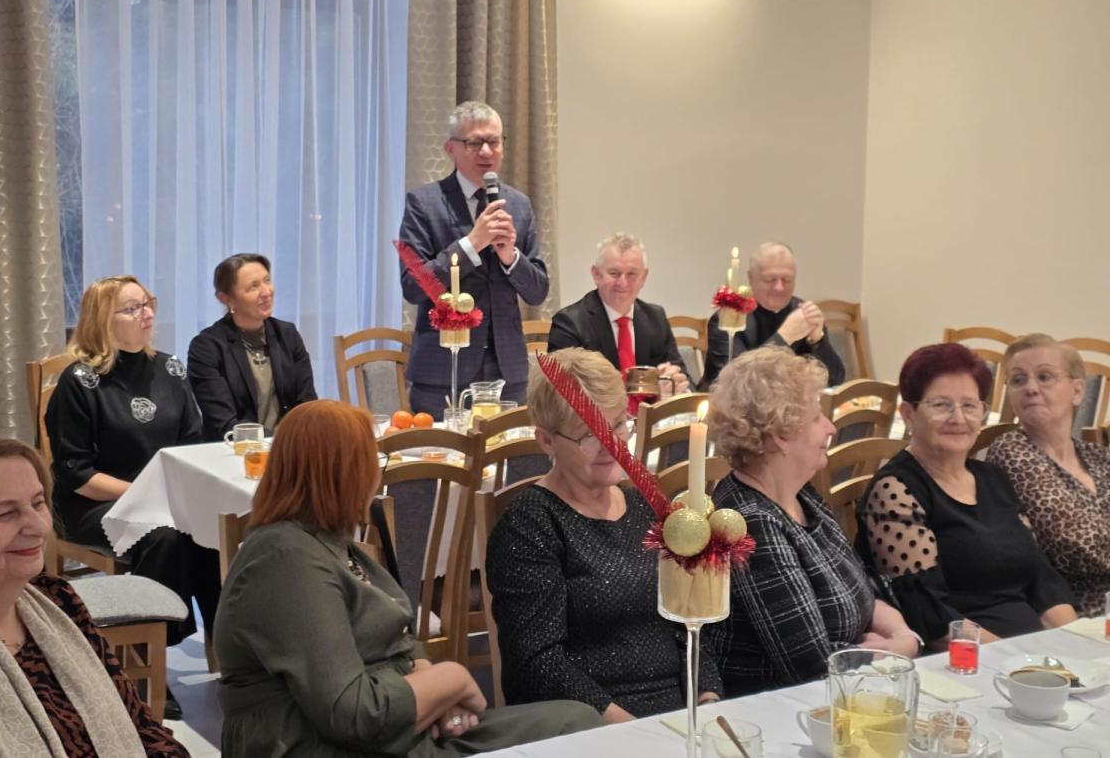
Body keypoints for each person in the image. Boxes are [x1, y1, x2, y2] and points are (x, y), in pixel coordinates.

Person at [214, 400, 600, 757]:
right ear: (340, 474)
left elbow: (398, 639)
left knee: (575, 721)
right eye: (371, 461)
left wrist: (435, 691)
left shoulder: (327, 543)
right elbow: (353, 714)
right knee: (574, 732)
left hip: (395, 726)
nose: (376, 476)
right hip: (324, 745)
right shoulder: (284, 558)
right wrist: (452, 679)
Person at [0, 433, 188, 757]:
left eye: (37, 503)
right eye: (5, 513)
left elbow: (138, 722)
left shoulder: (58, 599)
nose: (38, 526)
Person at [485, 348, 722, 721]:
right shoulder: (530, 525)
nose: (612, 444)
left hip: (678, 714)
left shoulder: (644, 505)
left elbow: (688, 619)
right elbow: (537, 664)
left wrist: (707, 699)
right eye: (589, 435)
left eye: (618, 425)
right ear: (546, 440)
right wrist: (631, 730)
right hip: (590, 724)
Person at [45, 275, 222, 718]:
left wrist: (175, 496)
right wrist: (148, 495)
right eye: (132, 308)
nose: (147, 314)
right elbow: (76, 473)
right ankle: (144, 662)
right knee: (166, 536)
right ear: (103, 320)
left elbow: (192, 443)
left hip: (163, 499)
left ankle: (231, 649)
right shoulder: (79, 382)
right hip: (94, 504)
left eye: (148, 303)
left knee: (217, 529)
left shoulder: (170, 368)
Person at [703, 347, 919, 697]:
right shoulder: (749, 523)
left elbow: (865, 586)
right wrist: (897, 651)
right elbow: (813, 665)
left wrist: (902, 637)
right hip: (777, 708)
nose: (831, 427)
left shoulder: (800, 494)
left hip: (850, 690)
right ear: (780, 435)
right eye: (817, 418)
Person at [857, 343, 1077, 645]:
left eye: (970, 406)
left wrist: (1074, 642)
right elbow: (928, 614)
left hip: (1032, 650)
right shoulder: (896, 491)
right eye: (941, 405)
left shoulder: (991, 478)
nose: (958, 418)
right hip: (968, 659)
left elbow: (1040, 578)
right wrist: (1013, 657)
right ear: (908, 414)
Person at [399, 101, 549, 417]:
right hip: (443, 371)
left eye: (493, 141)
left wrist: (510, 256)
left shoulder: (519, 205)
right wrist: (471, 244)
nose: (486, 152)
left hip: (508, 372)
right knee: (440, 451)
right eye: (474, 143)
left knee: (510, 450)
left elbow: (538, 291)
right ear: (450, 149)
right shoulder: (424, 203)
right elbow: (414, 286)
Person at [987, 334, 1110, 617]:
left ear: (1077, 391)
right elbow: (1078, 545)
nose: (1031, 388)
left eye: (1044, 377)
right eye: (1018, 380)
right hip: (1073, 614)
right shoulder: (1012, 451)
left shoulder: (1098, 456)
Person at [187, 252, 317, 441]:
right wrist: (276, 440)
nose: (266, 292)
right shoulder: (207, 347)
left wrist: (288, 441)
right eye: (253, 286)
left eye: (267, 280)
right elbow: (224, 423)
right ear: (227, 299)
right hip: (233, 450)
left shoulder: (287, 334)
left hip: (288, 447)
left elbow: (307, 403)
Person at [546, 232, 690, 392]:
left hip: (651, 409)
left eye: (632, 274)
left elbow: (684, 378)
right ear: (596, 274)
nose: (623, 283)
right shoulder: (569, 323)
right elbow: (562, 392)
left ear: (644, 277)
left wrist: (675, 382)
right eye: (614, 273)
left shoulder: (655, 318)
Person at [697, 242, 845, 389]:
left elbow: (835, 380)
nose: (779, 287)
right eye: (770, 279)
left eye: (787, 279)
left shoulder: (803, 313)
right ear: (751, 278)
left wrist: (817, 340)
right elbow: (738, 385)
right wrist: (784, 336)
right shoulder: (729, 318)